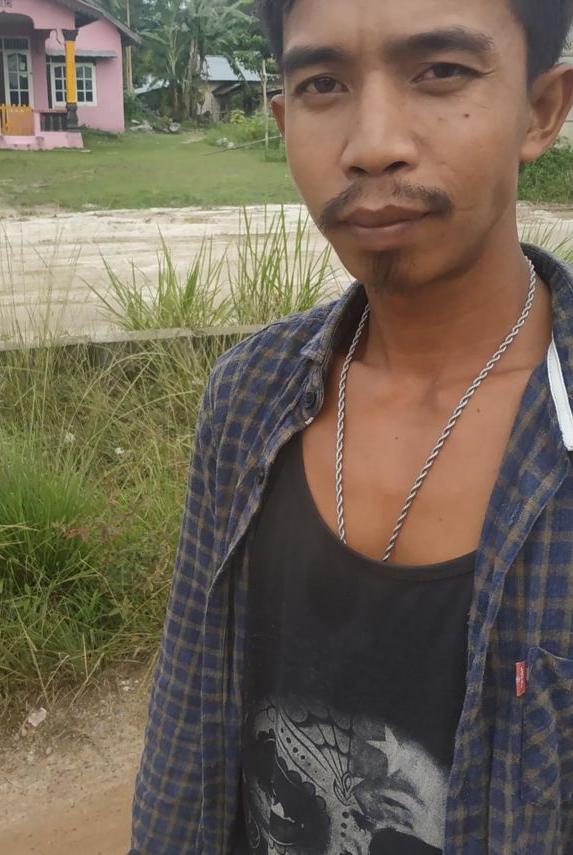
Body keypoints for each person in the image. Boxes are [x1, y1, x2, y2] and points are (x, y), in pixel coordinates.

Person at [130, 0, 573, 852]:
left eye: (440, 72)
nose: (372, 144)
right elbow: (187, 742)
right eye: (323, 84)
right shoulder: (248, 398)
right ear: (283, 119)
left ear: (540, 110)